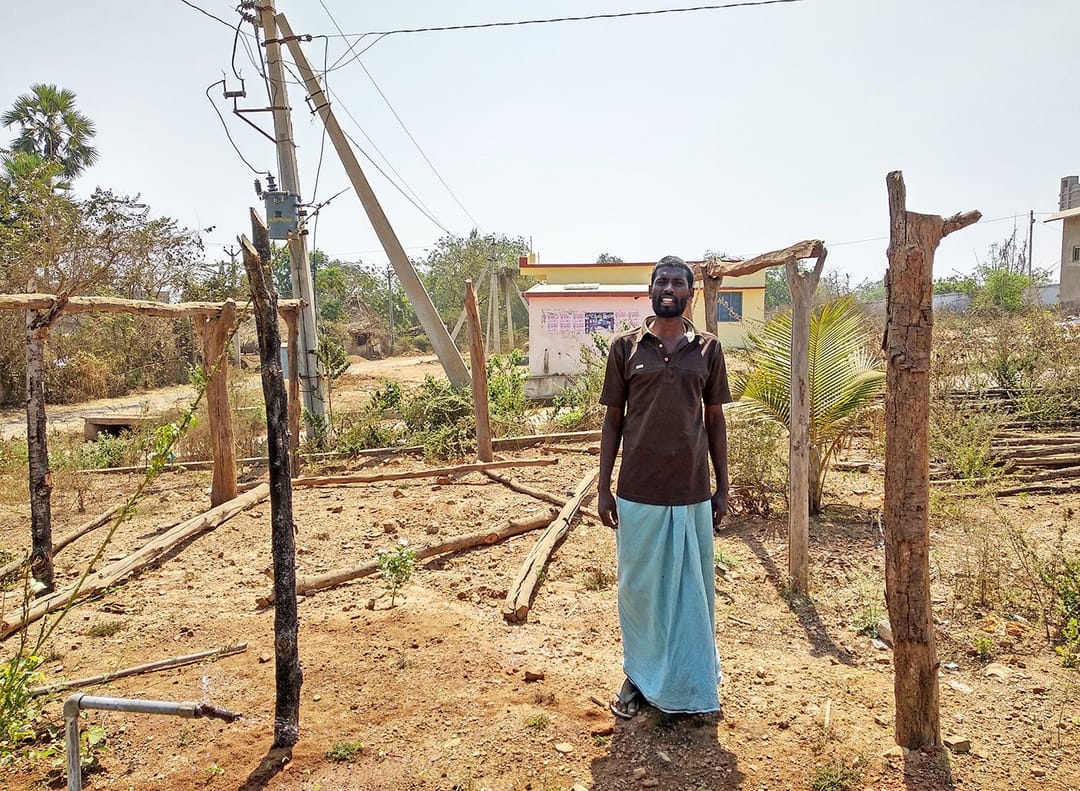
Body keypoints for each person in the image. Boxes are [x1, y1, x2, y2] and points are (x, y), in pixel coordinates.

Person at [598, 254, 732, 719]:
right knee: (638, 589)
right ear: (651, 290)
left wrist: (723, 487)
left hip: (693, 489)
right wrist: (603, 487)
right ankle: (638, 676)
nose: (669, 287)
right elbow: (613, 420)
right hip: (638, 490)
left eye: (678, 281)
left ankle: (691, 679)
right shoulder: (625, 348)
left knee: (693, 592)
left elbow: (715, 421)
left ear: (690, 293)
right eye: (661, 281)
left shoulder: (709, 350)